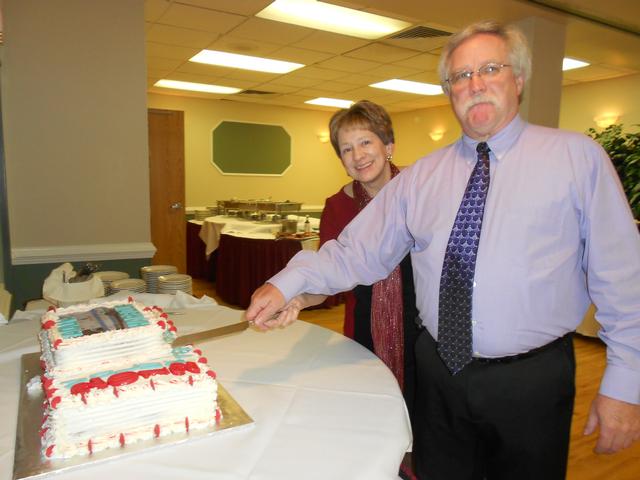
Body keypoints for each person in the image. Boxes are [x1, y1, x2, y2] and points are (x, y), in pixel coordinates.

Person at [247, 19, 640, 480]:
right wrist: (285, 283)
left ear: (518, 79)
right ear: (449, 91)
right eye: (460, 76)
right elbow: (356, 250)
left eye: (489, 69)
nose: (474, 85)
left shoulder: (577, 159)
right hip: (437, 373)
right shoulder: (420, 178)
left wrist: (625, 384)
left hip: (530, 382)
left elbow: (623, 279)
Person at [280, 100, 421, 419]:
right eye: (346, 149)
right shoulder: (337, 206)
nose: (358, 155)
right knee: (371, 412)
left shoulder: (419, 190)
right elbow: (330, 276)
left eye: (366, 142)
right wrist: (299, 299)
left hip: (423, 326)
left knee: (424, 412)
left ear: (388, 145)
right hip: (365, 328)